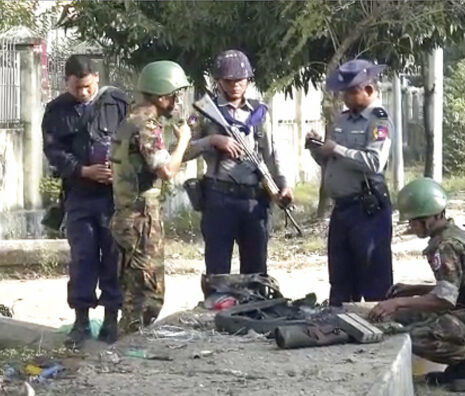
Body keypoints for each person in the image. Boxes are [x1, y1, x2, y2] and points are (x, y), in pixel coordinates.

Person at [369, 178, 465, 392]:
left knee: (412, 336)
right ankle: (464, 366)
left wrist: (398, 302)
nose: (411, 227)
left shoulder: (445, 246)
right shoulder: (454, 235)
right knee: (404, 318)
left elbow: (444, 300)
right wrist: (413, 290)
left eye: (414, 221)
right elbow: (455, 288)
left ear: (430, 218)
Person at [42, 55, 128, 346]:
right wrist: (83, 170)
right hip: (79, 196)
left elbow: (133, 142)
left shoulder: (116, 103)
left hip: (112, 198)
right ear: (66, 81)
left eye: (88, 87)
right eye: (78, 87)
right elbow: (54, 152)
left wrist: (121, 172)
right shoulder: (56, 111)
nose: (84, 93)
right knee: (83, 259)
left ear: (97, 80)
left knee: (114, 258)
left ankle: (111, 319)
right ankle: (80, 322)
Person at [184, 50, 293, 277]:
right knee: (217, 271)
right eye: (229, 81)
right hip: (219, 198)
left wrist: (283, 184)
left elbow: (272, 154)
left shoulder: (259, 112)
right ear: (219, 82)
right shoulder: (204, 112)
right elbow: (183, 152)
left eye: (240, 81)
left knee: (256, 273)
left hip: (254, 199)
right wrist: (212, 140)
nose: (235, 86)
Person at [109, 60, 192, 336]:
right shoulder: (147, 126)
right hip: (140, 218)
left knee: (134, 289)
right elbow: (167, 170)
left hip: (129, 215)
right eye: (174, 95)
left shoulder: (130, 121)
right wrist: (183, 141)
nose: (177, 101)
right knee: (146, 295)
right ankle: (128, 349)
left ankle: (128, 345)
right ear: (161, 94)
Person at [306, 59, 393, 306]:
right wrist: (316, 148)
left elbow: (375, 161)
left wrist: (339, 149)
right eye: (344, 93)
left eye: (352, 92)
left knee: (373, 272)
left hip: (367, 208)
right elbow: (330, 161)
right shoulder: (342, 120)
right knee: (341, 272)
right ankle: (340, 321)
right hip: (342, 208)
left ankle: (380, 324)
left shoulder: (378, 121)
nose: (346, 98)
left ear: (369, 90)